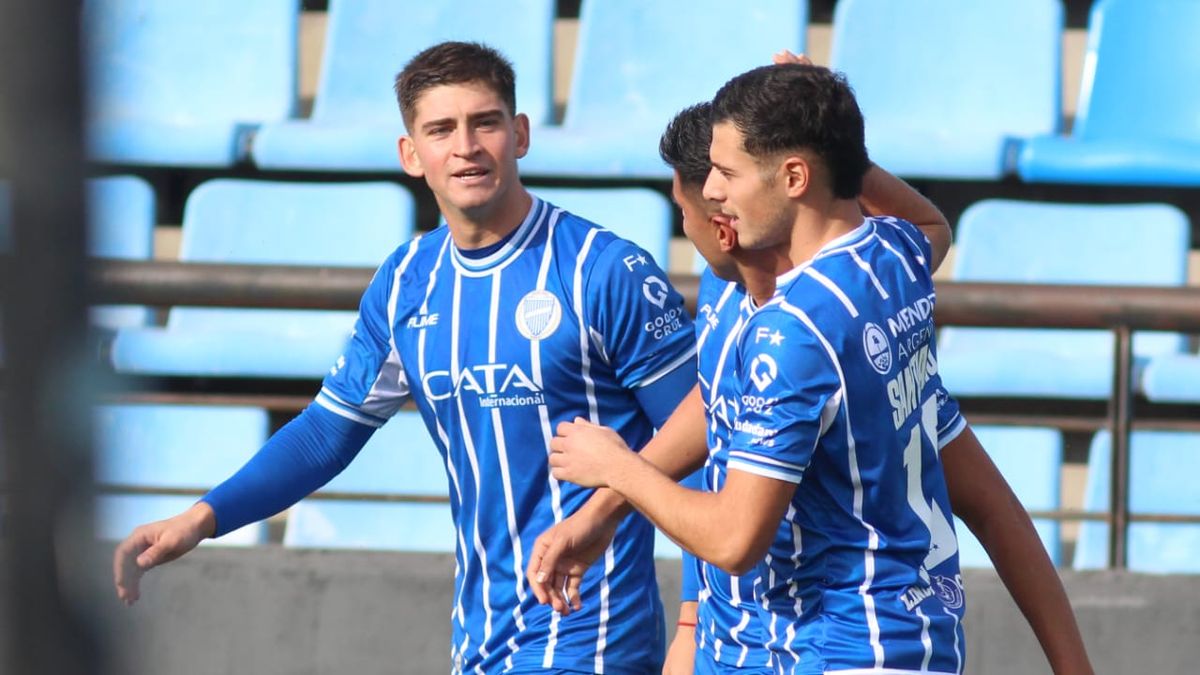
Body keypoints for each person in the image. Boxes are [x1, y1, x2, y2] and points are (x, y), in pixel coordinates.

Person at [112, 41, 699, 674]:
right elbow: (325, 433)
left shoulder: (602, 269)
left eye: (486, 123)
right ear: (411, 154)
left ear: (521, 134)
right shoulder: (405, 282)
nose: (466, 146)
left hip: (593, 632)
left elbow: (700, 437)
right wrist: (203, 517)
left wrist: (695, 621)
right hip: (479, 640)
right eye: (441, 130)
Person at [538, 63, 1094, 674]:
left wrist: (617, 467)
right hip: (789, 641)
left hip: (844, 644)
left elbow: (732, 541)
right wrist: (603, 509)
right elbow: (725, 399)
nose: (710, 197)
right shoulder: (890, 255)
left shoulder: (795, 328)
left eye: (720, 180)